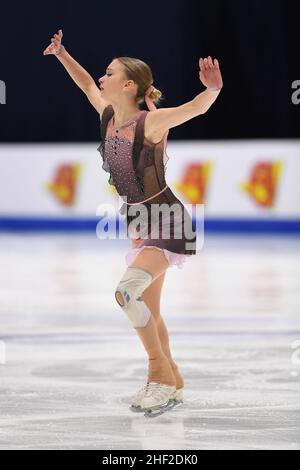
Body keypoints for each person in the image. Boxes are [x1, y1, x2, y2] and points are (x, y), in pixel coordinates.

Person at [43, 29, 223, 414]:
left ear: (128, 85)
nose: (102, 77)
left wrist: (211, 91)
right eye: (104, 73)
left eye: (110, 73)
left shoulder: (151, 124)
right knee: (150, 310)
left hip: (168, 222)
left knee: (128, 293)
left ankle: (157, 374)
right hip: (141, 225)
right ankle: (172, 378)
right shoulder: (109, 115)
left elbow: (194, 109)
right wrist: (61, 54)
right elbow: (86, 84)